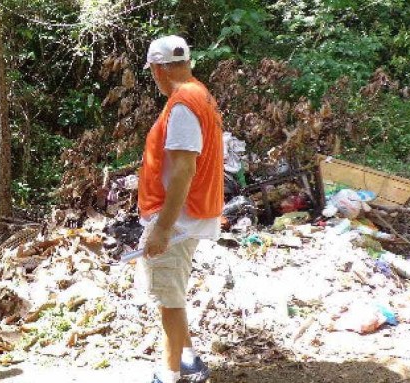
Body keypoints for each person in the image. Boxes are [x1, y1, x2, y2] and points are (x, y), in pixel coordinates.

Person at [137, 35, 223, 383]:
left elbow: (185, 169)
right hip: (188, 215)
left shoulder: (184, 104)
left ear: (158, 70)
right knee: (171, 290)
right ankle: (187, 358)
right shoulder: (198, 93)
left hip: (178, 220)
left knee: (169, 299)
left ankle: (170, 374)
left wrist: (162, 228)